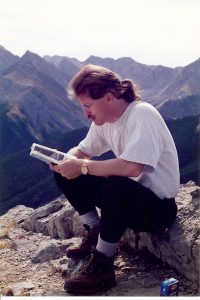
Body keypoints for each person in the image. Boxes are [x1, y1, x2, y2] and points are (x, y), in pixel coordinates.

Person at [50, 64, 180, 295]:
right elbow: (82, 151)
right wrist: (66, 161)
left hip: (157, 210)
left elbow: (132, 167)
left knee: (115, 182)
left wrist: (81, 166)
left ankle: (103, 264)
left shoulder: (142, 114)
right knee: (66, 170)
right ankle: (96, 230)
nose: (86, 113)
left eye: (88, 106)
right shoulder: (104, 121)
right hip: (128, 201)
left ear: (108, 98)